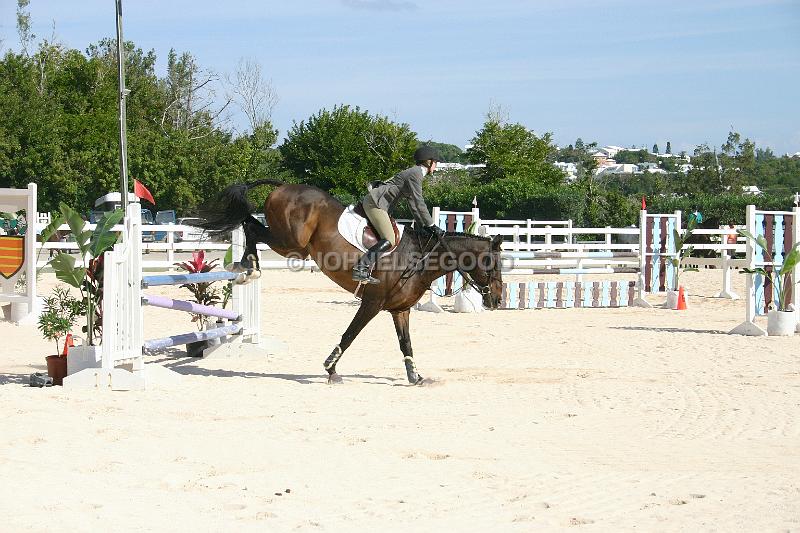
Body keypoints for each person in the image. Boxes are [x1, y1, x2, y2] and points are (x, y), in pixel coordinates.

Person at [351, 145, 444, 284]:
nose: (436, 166)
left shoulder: (415, 173)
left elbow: (413, 204)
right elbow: (419, 202)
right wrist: (431, 224)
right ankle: (361, 268)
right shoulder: (416, 173)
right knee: (390, 238)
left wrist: (423, 226)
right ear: (429, 161)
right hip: (375, 203)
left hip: (378, 204)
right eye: (436, 162)